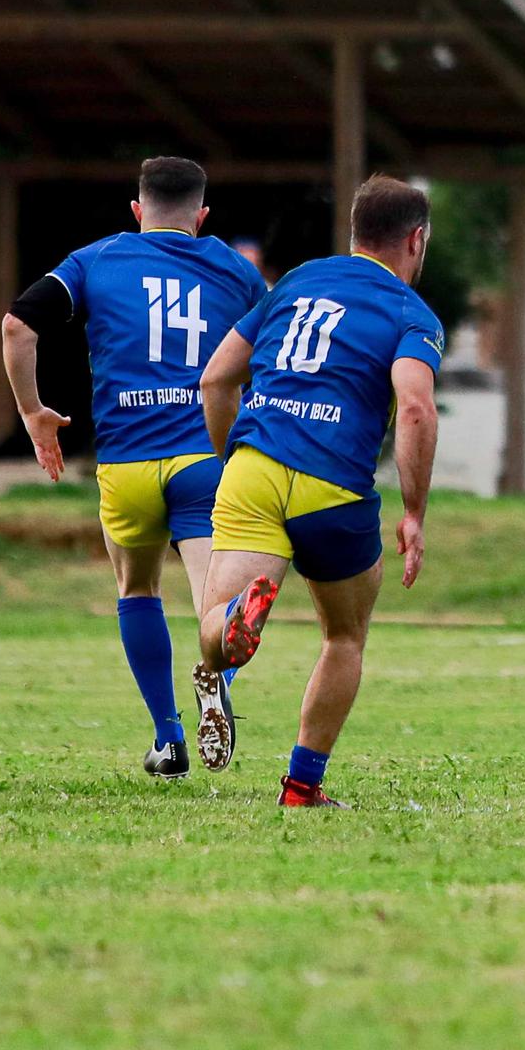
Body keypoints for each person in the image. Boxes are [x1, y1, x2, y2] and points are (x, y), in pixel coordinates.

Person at [0, 157, 266, 779]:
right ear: (202, 217)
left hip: (125, 463)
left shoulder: (95, 260)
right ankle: (217, 666)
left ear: (137, 210)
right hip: (205, 458)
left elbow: (18, 326)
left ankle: (169, 738)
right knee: (214, 603)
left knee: (137, 589)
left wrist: (35, 413)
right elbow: (270, 352)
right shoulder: (237, 270)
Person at [191, 174, 443, 807]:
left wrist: (235, 460)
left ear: (356, 232)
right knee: (343, 637)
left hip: (256, 466)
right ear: (416, 240)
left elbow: (217, 379)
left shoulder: (298, 281)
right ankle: (302, 787)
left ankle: (239, 621)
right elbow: (414, 409)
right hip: (334, 489)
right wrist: (414, 511)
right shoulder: (412, 314)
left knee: (214, 637)